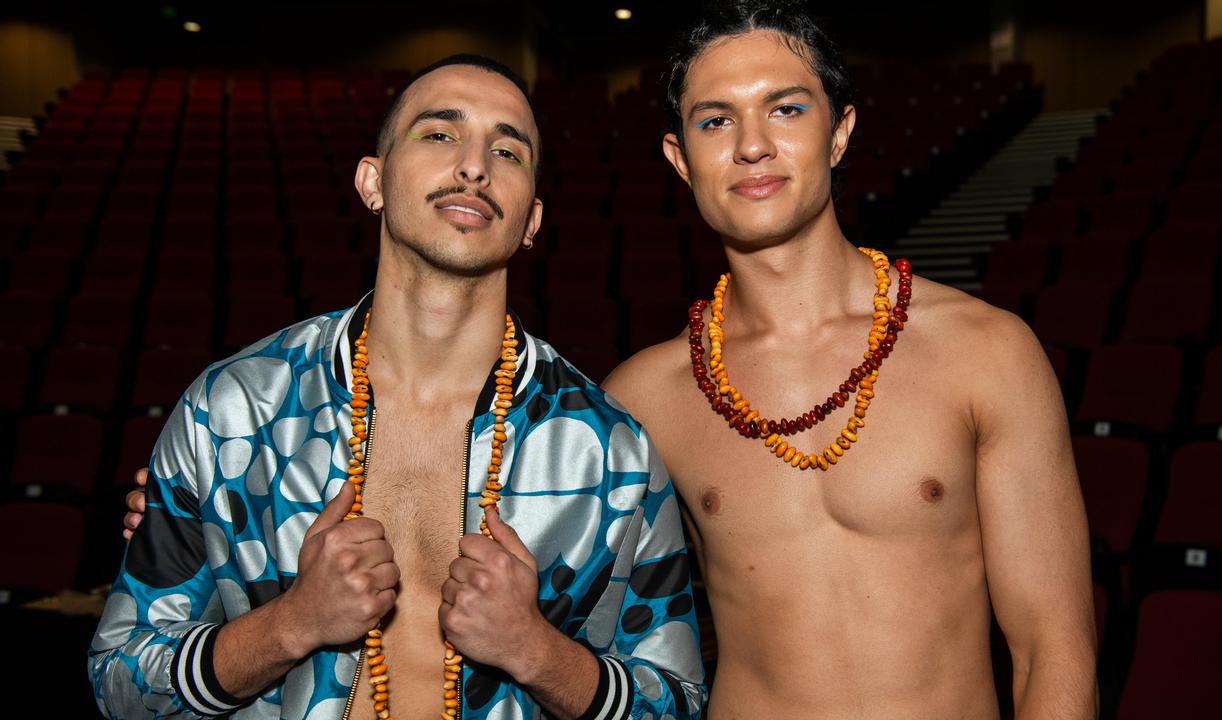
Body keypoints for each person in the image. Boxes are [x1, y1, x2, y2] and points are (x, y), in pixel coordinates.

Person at [91, 54, 705, 720]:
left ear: (532, 220)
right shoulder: (237, 411)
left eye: (508, 150)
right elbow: (120, 681)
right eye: (440, 134)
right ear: (372, 182)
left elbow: (675, 704)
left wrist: (535, 650)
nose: (475, 165)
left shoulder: (609, 453)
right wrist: (291, 624)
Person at [599, 2, 1099, 718]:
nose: (751, 145)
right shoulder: (644, 396)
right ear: (681, 159)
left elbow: (1055, 653)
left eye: (786, 109)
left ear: (839, 133)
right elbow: (600, 646)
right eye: (714, 121)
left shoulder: (986, 354)